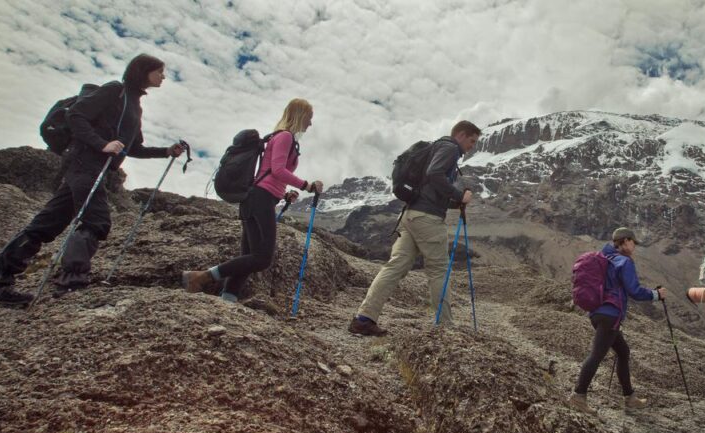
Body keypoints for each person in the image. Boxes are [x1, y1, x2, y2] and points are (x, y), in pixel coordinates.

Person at [0, 54, 186, 306]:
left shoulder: (133, 104)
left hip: (91, 168)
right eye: (160, 71)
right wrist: (102, 144)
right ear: (144, 71)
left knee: (47, 224)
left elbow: (133, 147)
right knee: (95, 220)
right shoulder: (114, 91)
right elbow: (76, 115)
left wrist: (166, 151)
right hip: (84, 162)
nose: (163, 76)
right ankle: (72, 283)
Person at [181, 98, 322, 301]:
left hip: (256, 198)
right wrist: (307, 185)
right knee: (262, 258)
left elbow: (269, 174)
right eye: (309, 117)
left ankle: (228, 299)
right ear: (300, 115)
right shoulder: (285, 137)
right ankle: (201, 276)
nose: (310, 123)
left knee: (249, 256)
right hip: (260, 199)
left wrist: (283, 194)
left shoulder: (278, 137)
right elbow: (278, 170)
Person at [348, 121, 481, 336]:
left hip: (411, 216)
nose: (472, 147)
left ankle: (363, 318)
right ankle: (445, 329)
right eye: (472, 141)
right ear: (461, 135)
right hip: (427, 220)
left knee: (396, 266)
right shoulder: (450, 148)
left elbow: (429, 188)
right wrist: (459, 195)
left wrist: (454, 204)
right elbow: (434, 174)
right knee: (439, 271)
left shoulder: (434, 148)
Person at [568, 228, 666, 414]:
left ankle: (629, 397)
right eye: (633, 242)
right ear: (625, 241)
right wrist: (656, 295)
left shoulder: (605, 258)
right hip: (610, 315)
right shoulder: (624, 261)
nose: (634, 246)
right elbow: (634, 290)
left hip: (597, 313)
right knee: (596, 355)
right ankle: (578, 396)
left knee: (623, 351)